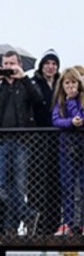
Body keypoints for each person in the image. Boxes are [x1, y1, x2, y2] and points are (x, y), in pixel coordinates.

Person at [0, 51, 43, 235]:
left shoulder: (25, 85)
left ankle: (11, 228)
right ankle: (28, 214)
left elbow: (38, 101)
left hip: (21, 141)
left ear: (19, 64)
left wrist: (23, 79)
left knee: (19, 186)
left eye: (12, 63)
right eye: (6, 63)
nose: (9, 67)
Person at [29, 50, 62, 235]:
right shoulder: (35, 83)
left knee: (56, 182)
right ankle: (37, 223)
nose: (50, 67)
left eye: (54, 64)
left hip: (57, 140)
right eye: (47, 63)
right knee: (37, 181)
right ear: (41, 65)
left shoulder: (60, 84)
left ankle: (54, 223)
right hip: (38, 140)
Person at [51, 68, 84, 235]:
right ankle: (70, 222)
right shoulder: (60, 102)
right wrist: (71, 122)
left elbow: (81, 117)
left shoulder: (82, 100)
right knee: (67, 186)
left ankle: (81, 222)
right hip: (66, 149)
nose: (71, 86)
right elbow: (56, 120)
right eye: (67, 83)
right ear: (62, 85)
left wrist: (73, 104)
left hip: (81, 148)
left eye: (74, 82)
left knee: (82, 186)